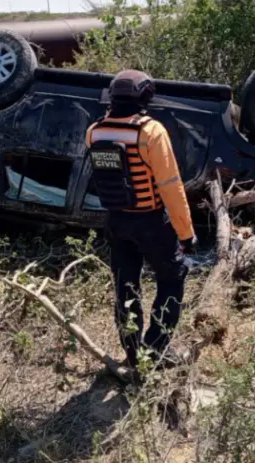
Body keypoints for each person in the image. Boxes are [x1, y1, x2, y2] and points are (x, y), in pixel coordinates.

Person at [85, 69, 197, 371]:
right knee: (172, 280)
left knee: (126, 287)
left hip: (116, 221)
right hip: (151, 223)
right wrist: (186, 233)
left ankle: (134, 354)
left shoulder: (95, 131)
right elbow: (171, 186)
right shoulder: (151, 132)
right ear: (146, 96)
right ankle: (155, 351)